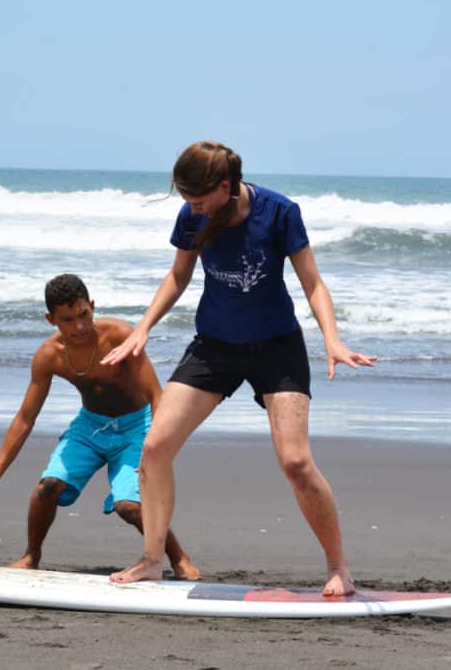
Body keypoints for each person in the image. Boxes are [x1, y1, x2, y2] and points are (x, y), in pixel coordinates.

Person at [102, 141, 376, 596]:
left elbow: (313, 282)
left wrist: (332, 339)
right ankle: (152, 560)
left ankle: (338, 567)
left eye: (200, 199)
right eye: (187, 200)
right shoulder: (193, 216)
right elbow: (178, 276)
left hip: (276, 347)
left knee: (295, 462)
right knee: (154, 448)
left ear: (225, 187)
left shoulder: (279, 212)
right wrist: (142, 328)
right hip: (215, 346)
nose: (193, 208)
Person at [0, 274, 200, 580]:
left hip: (137, 426)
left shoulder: (119, 335)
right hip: (90, 428)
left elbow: (156, 396)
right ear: (50, 319)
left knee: (129, 507)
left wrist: (154, 449)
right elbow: (26, 417)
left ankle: (178, 558)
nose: (79, 326)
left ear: (92, 306)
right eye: (68, 320)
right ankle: (31, 556)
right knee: (48, 487)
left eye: (84, 314)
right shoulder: (49, 355)